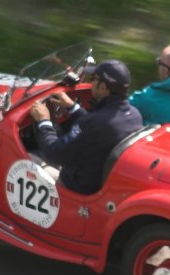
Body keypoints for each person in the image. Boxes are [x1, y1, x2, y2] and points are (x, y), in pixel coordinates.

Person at [29, 60, 143, 195]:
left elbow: (53, 153)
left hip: (75, 187)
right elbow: (101, 126)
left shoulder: (94, 122)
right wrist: (73, 107)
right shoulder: (135, 115)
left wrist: (43, 121)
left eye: (93, 79)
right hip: (98, 180)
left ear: (103, 88)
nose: (91, 83)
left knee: (28, 157)